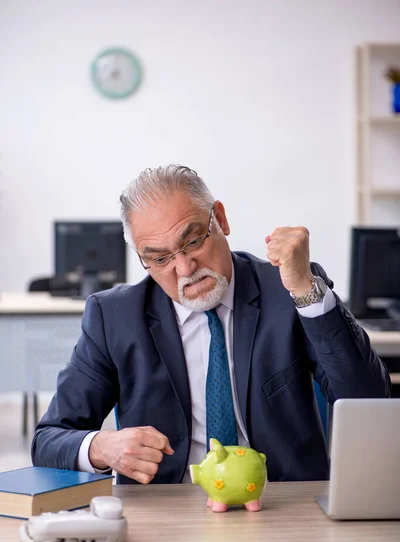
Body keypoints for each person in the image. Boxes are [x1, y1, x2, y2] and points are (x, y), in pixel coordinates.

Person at [31, 165, 390, 484]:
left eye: (192, 241)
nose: (185, 269)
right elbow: (49, 439)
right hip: (170, 515)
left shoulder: (289, 290)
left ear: (220, 219)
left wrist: (306, 290)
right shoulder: (114, 317)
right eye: (159, 258)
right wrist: (101, 446)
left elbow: (370, 401)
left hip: (282, 505)